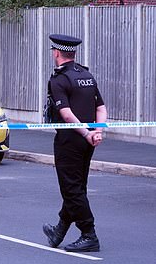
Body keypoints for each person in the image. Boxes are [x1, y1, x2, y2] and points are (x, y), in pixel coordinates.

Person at [43, 34, 106, 253]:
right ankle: (59, 230)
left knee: (71, 189)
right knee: (77, 187)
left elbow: (67, 114)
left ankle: (89, 234)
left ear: (57, 53)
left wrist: (87, 133)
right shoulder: (86, 75)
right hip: (86, 142)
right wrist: (97, 132)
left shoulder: (58, 80)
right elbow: (101, 108)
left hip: (70, 141)